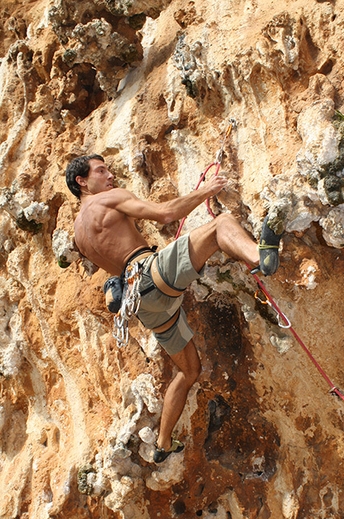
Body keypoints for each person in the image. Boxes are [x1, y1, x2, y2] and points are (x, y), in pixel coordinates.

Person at [65, 154, 281, 463]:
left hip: (143, 306)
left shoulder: (79, 235)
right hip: (152, 276)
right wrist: (206, 190)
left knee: (189, 370)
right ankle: (261, 257)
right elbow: (166, 214)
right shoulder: (108, 199)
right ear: (82, 181)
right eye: (101, 170)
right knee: (221, 225)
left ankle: (163, 443)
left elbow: (113, 260)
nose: (110, 175)